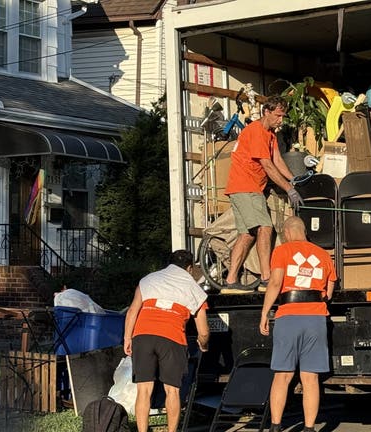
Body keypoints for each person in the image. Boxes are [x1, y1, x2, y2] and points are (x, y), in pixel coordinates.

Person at [259, 216, 336, 432]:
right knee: (310, 378)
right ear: (304, 231)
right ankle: (309, 428)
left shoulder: (282, 251)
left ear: (287, 232)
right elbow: (328, 293)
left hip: (288, 316)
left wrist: (264, 313)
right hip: (316, 319)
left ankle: (275, 426)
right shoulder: (323, 255)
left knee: (283, 375)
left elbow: (275, 282)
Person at [223, 96, 304, 294]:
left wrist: (294, 180)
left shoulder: (270, 135)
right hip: (246, 187)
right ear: (266, 112)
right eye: (278, 115)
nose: (280, 120)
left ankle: (231, 280)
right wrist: (289, 189)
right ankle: (266, 278)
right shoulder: (257, 131)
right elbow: (267, 165)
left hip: (245, 188)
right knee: (265, 228)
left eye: (283, 116)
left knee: (247, 234)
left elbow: (277, 160)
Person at [124, 250, 210, 432]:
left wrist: (127, 338)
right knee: (172, 390)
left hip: (142, 335)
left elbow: (132, 311)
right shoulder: (194, 289)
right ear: (190, 268)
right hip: (172, 337)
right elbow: (203, 331)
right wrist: (203, 345)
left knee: (143, 390)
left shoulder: (148, 280)